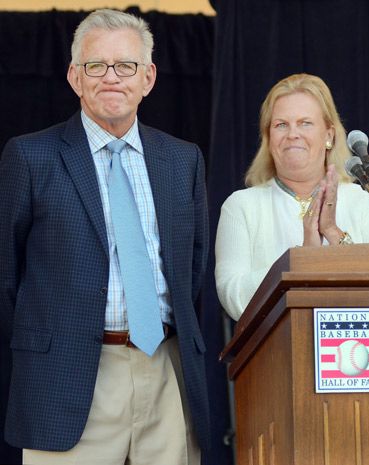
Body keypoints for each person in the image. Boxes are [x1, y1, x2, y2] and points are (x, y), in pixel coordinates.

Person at [0, 9, 209, 465]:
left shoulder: (182, 161)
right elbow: (6, 278)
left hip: (165, 374)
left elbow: (192, 268)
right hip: (67, 379)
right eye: (97, 66)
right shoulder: (30, 157)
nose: (111, 77)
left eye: (126, 66)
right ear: (75, 77)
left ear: (148, 77)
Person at [215, 73, 369, 320]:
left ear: (329, 135)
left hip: (356, 352)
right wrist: (301, 258)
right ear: (268, 138)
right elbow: (233, 298)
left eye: (305, 123)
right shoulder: (241, 206)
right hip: (273, 353)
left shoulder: (365, 204)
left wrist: (333, 233)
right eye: (281, 125)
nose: (293, 134)